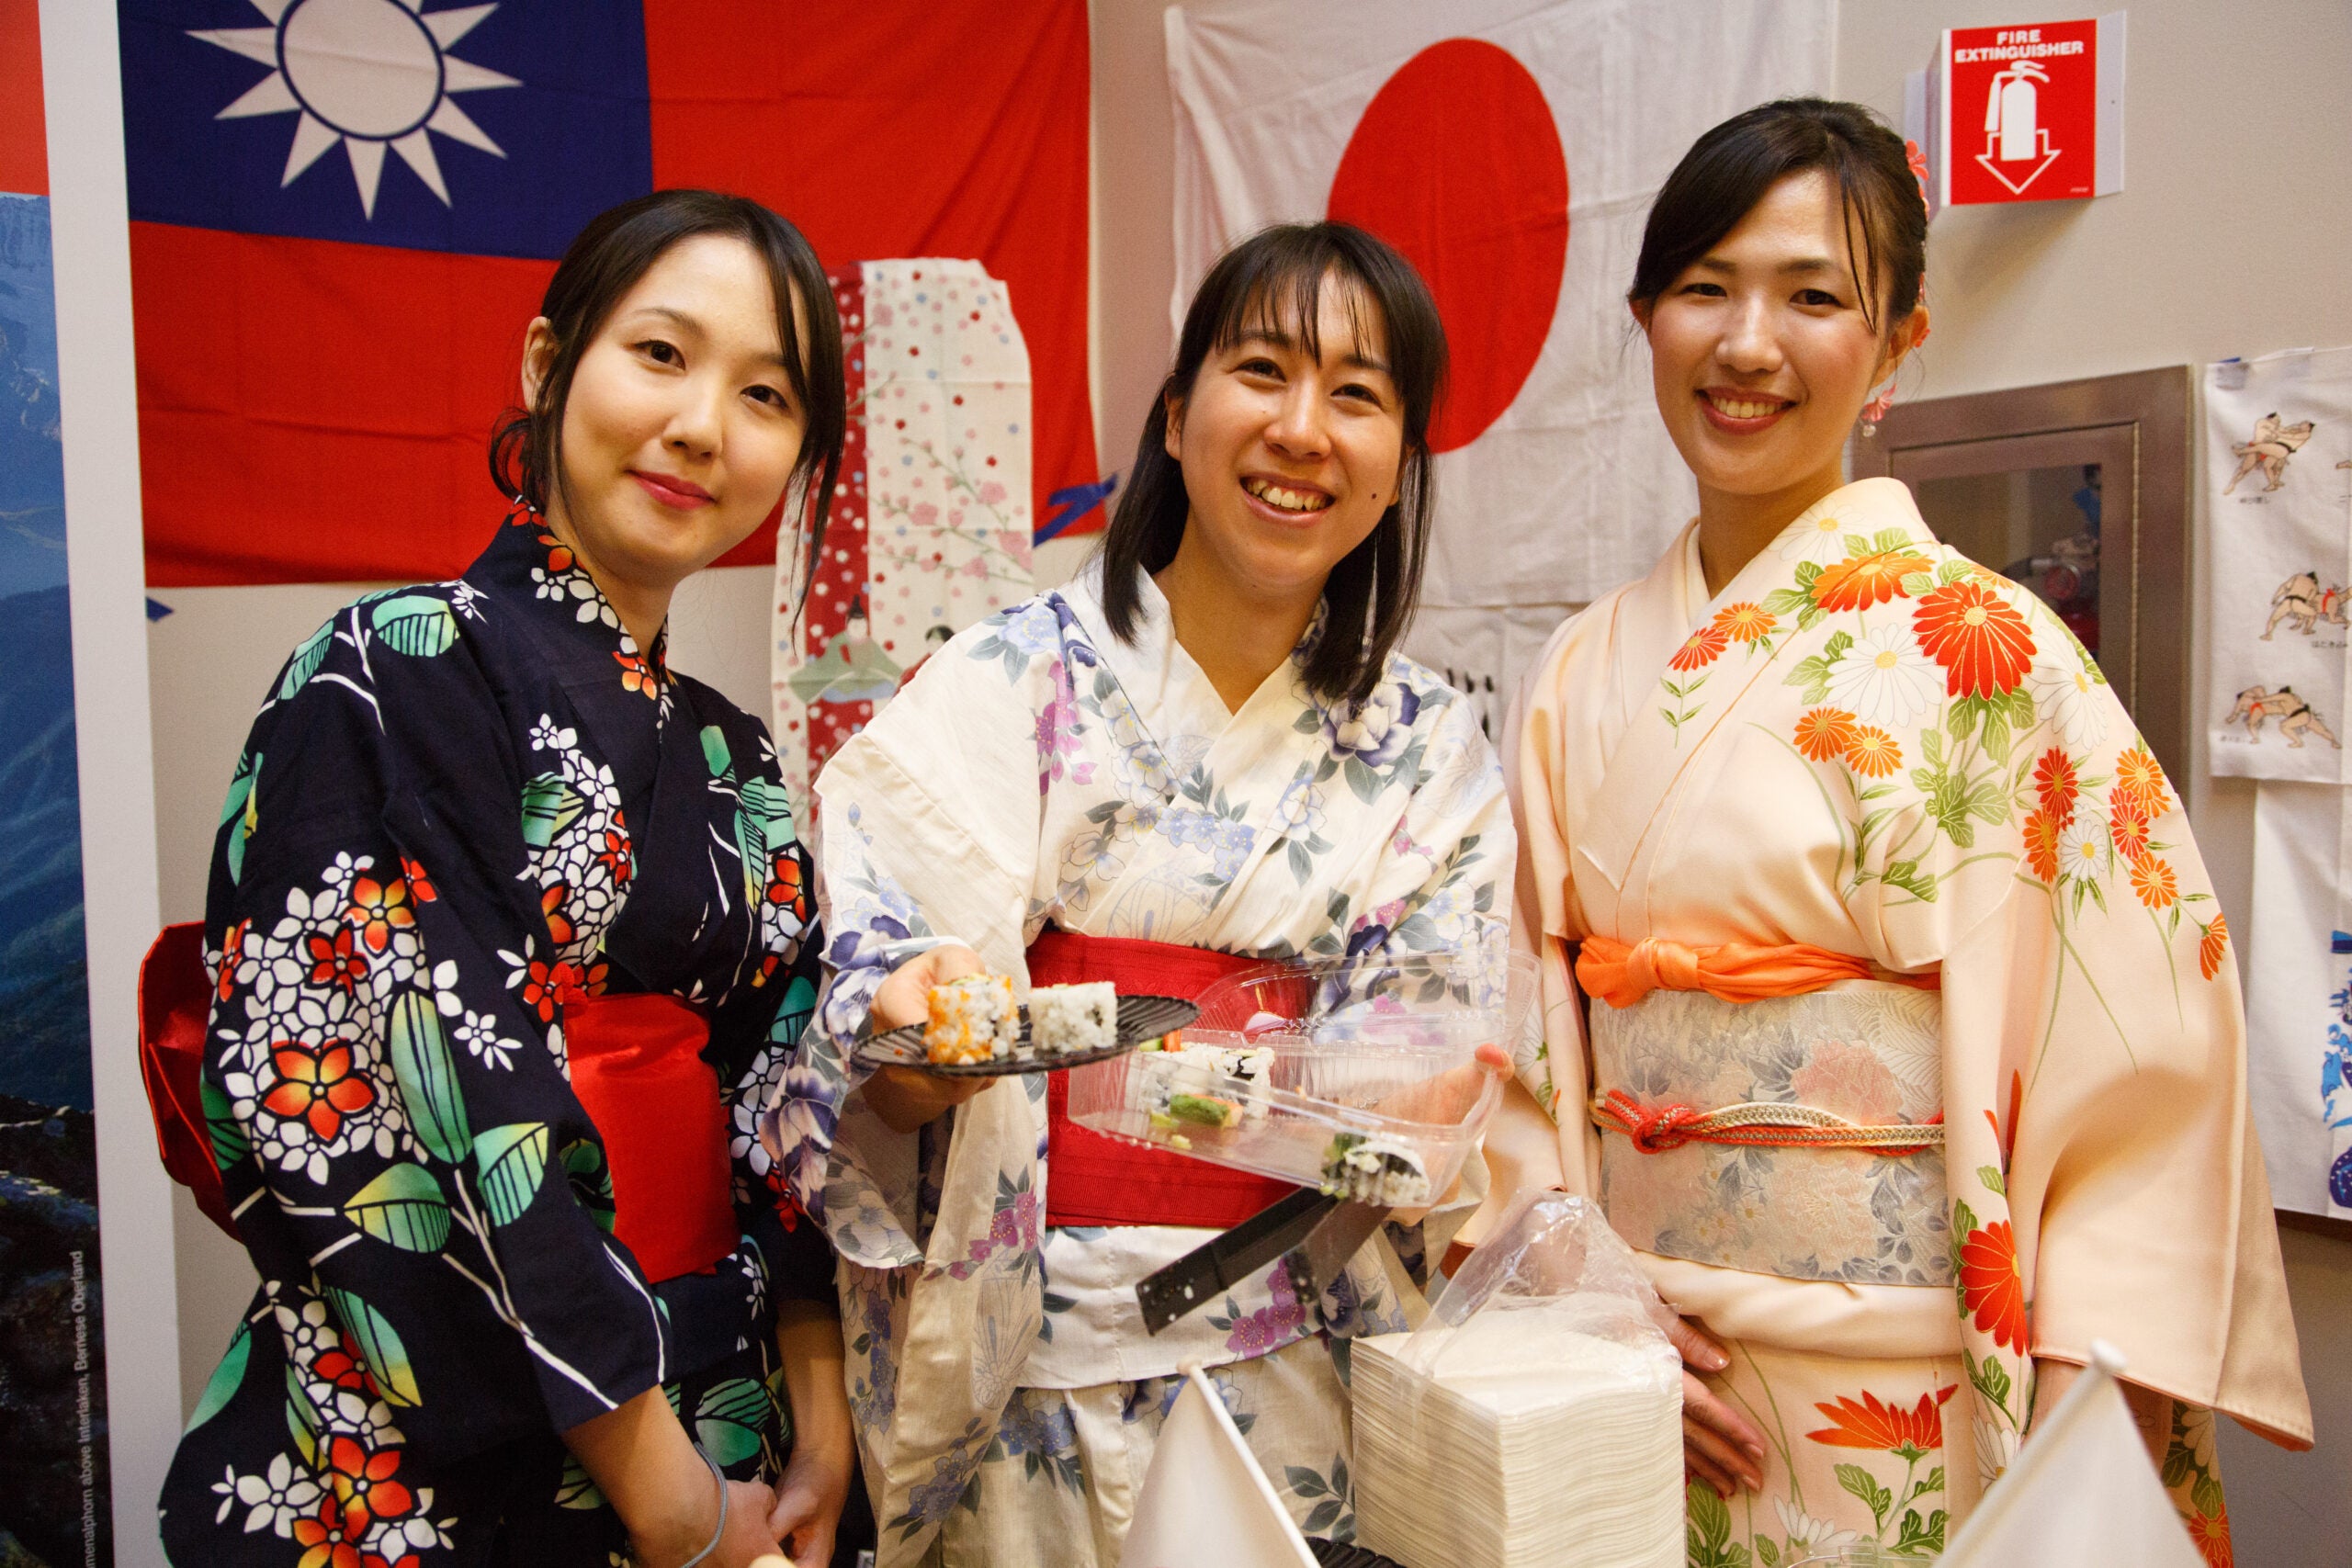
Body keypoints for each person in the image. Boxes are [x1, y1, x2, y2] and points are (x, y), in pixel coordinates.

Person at [1502, 98, 2312, 1564]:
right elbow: (1520, 1033)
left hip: (1915, 1389)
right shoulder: (1578, 671)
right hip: (1638, 1378)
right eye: (1706, 289)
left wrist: (2094, 1414)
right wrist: (1589, 1302)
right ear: (1646, 321)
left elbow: (2145, 1066)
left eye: (1814, 298)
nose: (1750, 344)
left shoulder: (1993, 654)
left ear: (1896, 345)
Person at [769, 223, 1530, 1565]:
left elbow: (1427, 1072)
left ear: (1399, 468)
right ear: (1177, 418)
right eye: (1263, 372)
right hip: (1023, 1365)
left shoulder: (1428, 748)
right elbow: (876, 1014)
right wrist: (912, 1044)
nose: (1302, 430)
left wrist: (1312, 1089)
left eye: (1357, 395)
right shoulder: (1002, 682)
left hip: (1295, 1364)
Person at [159, 190, 865, 1568]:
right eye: (660, 354)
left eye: (766, 395)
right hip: (452, 1442)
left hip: (729, 1416)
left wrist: (822, 1427)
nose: (703, 427)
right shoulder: (387, 670)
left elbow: (784, 1097)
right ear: (548, 365)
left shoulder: (733, 755)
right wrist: (670, 1501)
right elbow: (428, 1100)